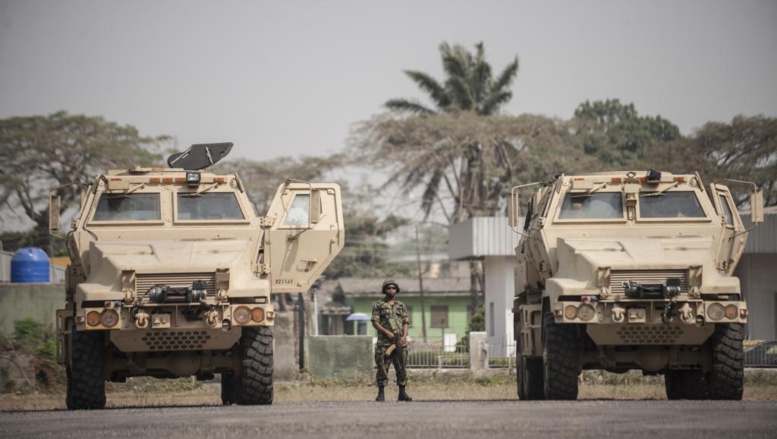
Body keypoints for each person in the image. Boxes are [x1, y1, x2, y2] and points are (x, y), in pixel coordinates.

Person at [371, 279, 412, 402]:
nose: (391, 290)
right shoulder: (379, 305)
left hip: (399, 342)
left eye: (393, 288)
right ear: (384, 290)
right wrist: (387, 332)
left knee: (402, 367)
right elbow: (375, 322)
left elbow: (405, 322)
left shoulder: (401, 305)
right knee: (382, 368)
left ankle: (402, 393)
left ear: (396, 290)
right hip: (384, 343)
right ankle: (381, 393)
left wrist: (404, 337)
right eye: (388, 288)